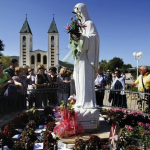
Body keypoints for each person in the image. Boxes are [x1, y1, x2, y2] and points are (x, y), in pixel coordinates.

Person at [73, 3, 99, 108]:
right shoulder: (78, 26)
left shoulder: (90, 24)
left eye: (78, 13)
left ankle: (87, 104)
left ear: (83, 12)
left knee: (84, 81)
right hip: (79, 58)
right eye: (75, 14)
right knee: (78, 80)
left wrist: (82, 38)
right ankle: (79, 101)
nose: (77, 16)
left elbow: (94, 39)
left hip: (86, 58)